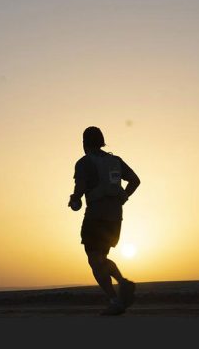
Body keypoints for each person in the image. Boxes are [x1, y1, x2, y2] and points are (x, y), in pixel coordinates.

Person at [68, 126, 141, 315]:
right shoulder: (115, 161)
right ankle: (123, 284)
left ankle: (116, 299)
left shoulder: (84, 163)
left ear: (85, 143)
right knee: (101, 257)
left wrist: (74, 198)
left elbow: (81, 187)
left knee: (94, 259)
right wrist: (123, 197)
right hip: (115, 216)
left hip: (96, 215)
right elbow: (135, 180)